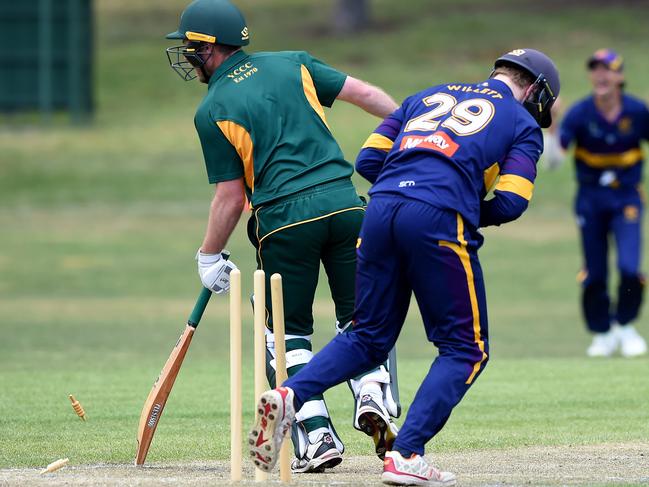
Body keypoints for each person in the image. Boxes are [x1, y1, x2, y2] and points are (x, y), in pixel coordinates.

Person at [248, 48, 560, 486]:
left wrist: (407, 192)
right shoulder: (523, 122)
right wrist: (460, 204)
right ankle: (407, 454)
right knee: (465, 349)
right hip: (439, 218)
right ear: (534, 91)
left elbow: (367, 161)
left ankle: (288, 395)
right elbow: (511, 201)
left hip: (379, 211)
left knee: (367, 336)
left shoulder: (423, 96)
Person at [165, 0, 402, 473]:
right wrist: (410, 136)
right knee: (363, 318)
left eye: (190, 48)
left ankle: (316, 436)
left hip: (285, 222)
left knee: (285, 332)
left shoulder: (212, 108)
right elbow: (368, 95)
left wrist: (209, 254)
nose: (187, 58)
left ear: (208, 48)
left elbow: (231, 198)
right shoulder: (295, 63)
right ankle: (372, 391)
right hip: (346, 205)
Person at [545, 49, 648, 358]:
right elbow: (552, 162)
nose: (601, 75)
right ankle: (602, 332)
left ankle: (625, 326)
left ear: (620, 77)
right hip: (590, 200)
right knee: (595, 272)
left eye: (608, 69)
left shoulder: (637, 111)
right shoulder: (579, 114)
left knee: (629, 268)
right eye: (595, 69)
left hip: (627, 197)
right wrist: (551, 123)